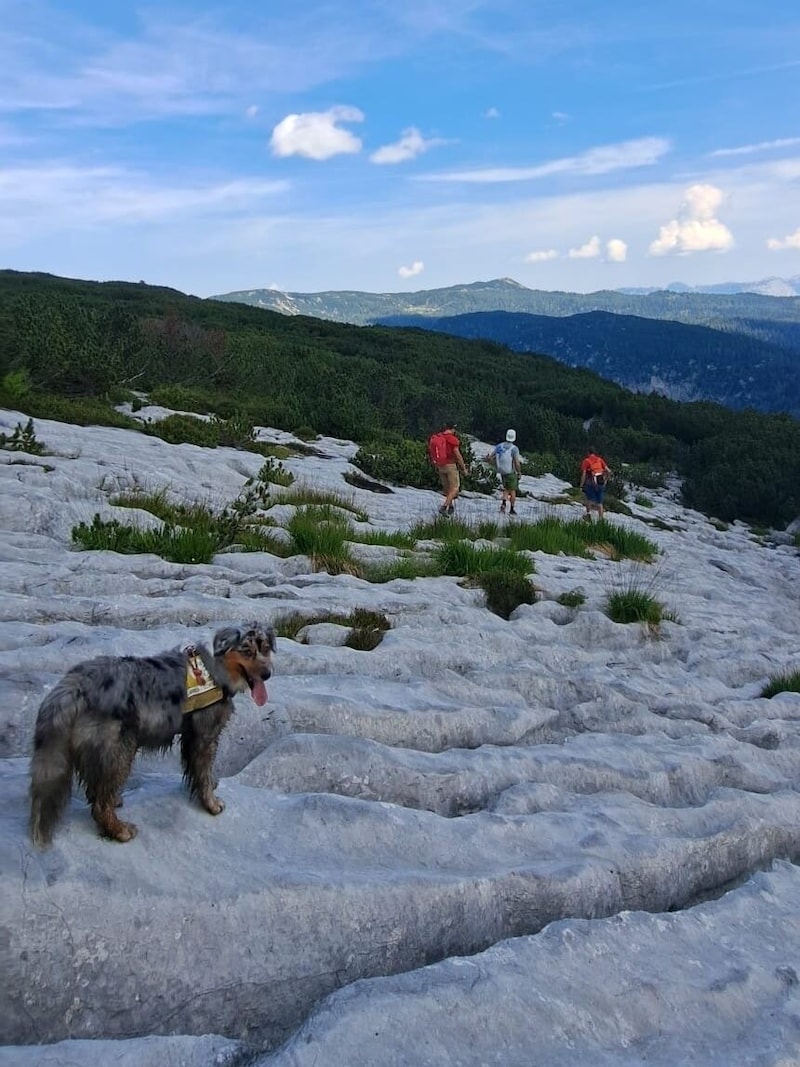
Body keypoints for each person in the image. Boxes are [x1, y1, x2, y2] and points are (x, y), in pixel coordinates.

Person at [428, 421, 468, 515]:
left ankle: (451, 507)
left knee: (447, 489)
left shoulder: (438, 436)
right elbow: (458, 455)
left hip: (440, 465)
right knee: (455, 488)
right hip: (450, 465)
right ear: (452, 429)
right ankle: (444, 507)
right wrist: (463, 468)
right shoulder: (452, 439)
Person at [490, 429, 522, 515]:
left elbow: (491, 456)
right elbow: (516, 462)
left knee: (506, 489)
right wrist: (519, 472)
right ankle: (511, 508)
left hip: (502, 471)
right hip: (510, 472)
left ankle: (503, 504)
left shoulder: (499, 446)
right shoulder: (514, 449)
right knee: (512, 490)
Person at [580, 447, 612, 521]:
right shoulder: (600, 460)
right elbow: (609, 471)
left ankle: (588, 516)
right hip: (600, 483)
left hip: (590, 483)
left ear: (588, 453)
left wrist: (581, 485)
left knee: (589, 499)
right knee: (600, 502)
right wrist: (606, 481)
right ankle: (600, 519)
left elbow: (584, 474)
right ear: (594, 453)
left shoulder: (586, 461)